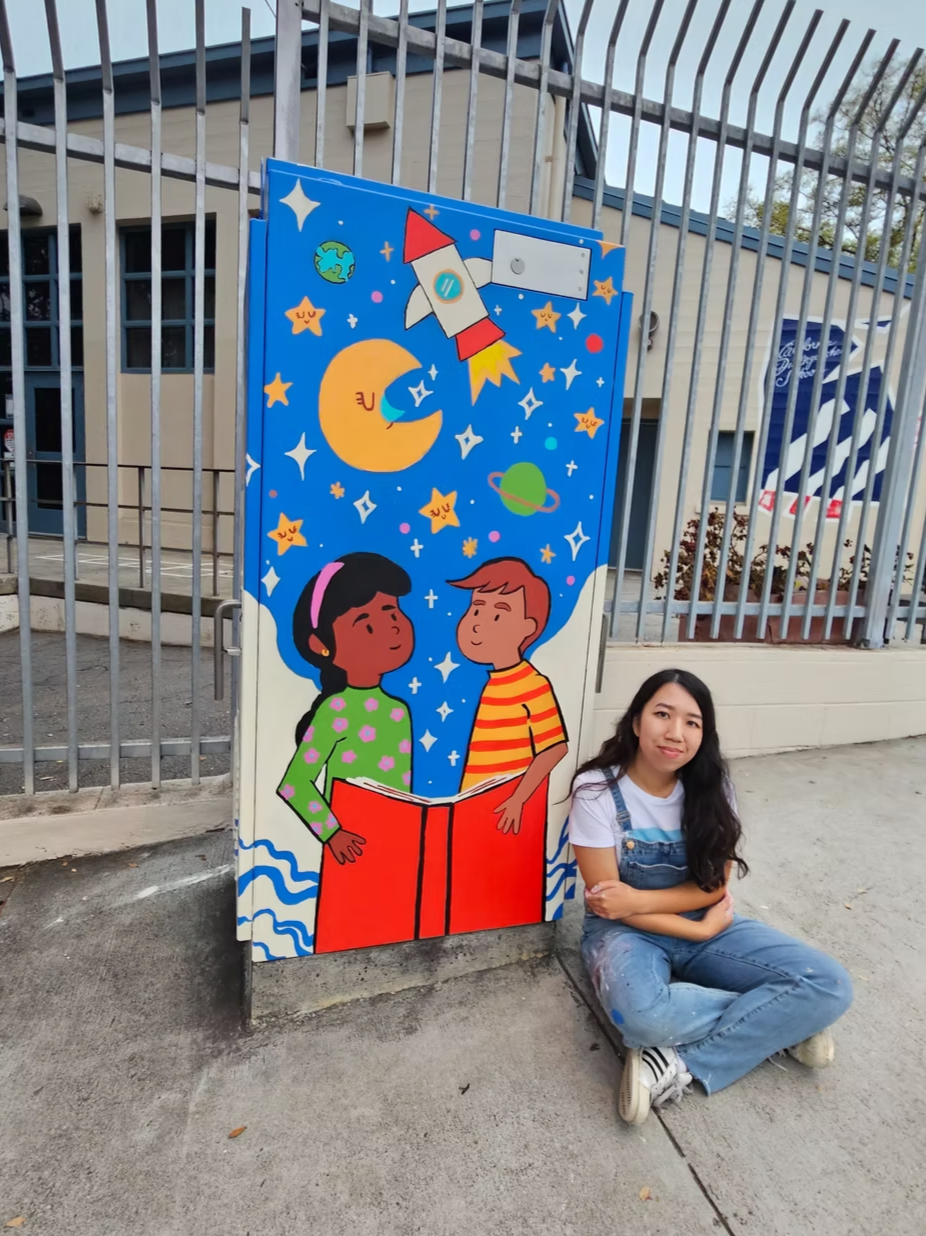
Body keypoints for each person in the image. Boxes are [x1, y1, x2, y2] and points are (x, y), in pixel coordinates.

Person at [569, 668, 852, 1126]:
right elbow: (609, 904)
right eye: (663, 714)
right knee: (642, 1016)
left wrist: (654, 907)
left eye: (692, 722)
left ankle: (675, 1061)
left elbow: (713, 886)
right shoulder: (597, 790)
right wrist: (694, 928)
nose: (675, 733)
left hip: (703, 919)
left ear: (704, 734)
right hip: (624, 934)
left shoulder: (713, 787)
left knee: (829, 983)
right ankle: (781, 1020)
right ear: (636, 721)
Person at [278, 552, 415, 865]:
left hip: (395, 841)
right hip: (353, 848)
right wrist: (332, 833)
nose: (390, 627)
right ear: (320, 645)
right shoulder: (335, 710)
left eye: (391, 611)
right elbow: (295, 784)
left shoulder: (398, 710)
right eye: (366, 623)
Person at [449, 557, 568, 834]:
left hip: (507, 812)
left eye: (498, 615)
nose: (478, 624)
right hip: (477, 806)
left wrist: (518, 798)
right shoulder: (494, 684)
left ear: (527, 627)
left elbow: (555, 747)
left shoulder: (533, 684)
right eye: (476, 609)